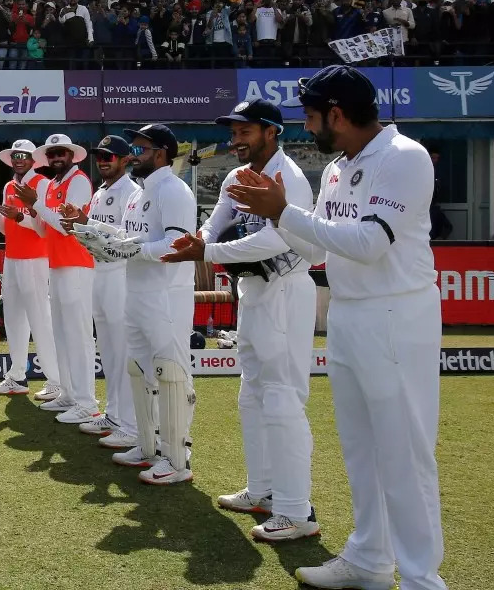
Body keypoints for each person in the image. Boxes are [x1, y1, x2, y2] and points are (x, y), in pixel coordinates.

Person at [228, 65, 447, 590]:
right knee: (362, 448)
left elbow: (371, 243)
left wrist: (285, 211)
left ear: (338, 114)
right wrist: (277, 216)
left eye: (311, 117)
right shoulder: (337, 169)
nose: (307, 128)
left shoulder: (404, 157)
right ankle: (370, 560)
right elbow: (319, 248)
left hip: (396, 314)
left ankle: (421, 579)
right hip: (348, 312)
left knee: (404, 452)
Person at [161, 99, 323, 541]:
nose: (235, 140)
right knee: (251, 394)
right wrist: (196, 242)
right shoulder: (235, 176)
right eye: (233, 132)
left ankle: (296, 510)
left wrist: (208, 252)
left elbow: (277, 239)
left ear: (271, 131)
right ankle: (264, 490)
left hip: (287, 289)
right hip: (251, 291)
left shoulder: (287, 178)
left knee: (283, 398)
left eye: (244, 131)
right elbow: (215, 224)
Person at [107, 124, 197, 486]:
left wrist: (132, 250)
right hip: (137, 291)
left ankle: (177, 458)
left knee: (172, 374)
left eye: (139, 149)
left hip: (166, 294)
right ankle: (148, 446)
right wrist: (94, 231)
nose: (132, 154)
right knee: (140, 369)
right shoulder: (140, 192)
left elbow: (179, 244)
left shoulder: (174, 190)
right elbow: (131, 237)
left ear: (160, 153)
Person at [0, 140, 59, 399]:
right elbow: (7, 229)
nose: (19, 159)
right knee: (14, 319)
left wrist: (20, 218)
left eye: (24, 155)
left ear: (34, 159)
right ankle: (17, 376)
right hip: (12, 259)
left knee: (40, 320)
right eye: (15, 156)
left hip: (35, 260)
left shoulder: (41, 184)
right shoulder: (10, 185)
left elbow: (44, 226)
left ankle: (55, 381)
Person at [71, 136, 139, 448]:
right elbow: (96, 233)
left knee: (123, 351)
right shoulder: (100, 192)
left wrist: (88, 225)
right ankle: (113, 414)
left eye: (110, 157)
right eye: (99, 156)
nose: (103, 161)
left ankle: (131, 424)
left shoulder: (132, 192)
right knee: (108, 350)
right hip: (99, 270)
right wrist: (81, 225)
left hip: (119, 274)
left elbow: (124, 238)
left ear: (125, 160)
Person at [26, 134, 99, 425]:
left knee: (79, 335)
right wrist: (34, 210)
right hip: (57, 264)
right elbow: (44, 231)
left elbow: (69, 227)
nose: (57, 157)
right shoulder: (54, 185)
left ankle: (88, 403)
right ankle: (69, 394)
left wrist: (39, 206)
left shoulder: (79, 181)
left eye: (61, 153)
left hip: (78, 264)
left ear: (72, 155)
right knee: (62, 333)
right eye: (52, 154)